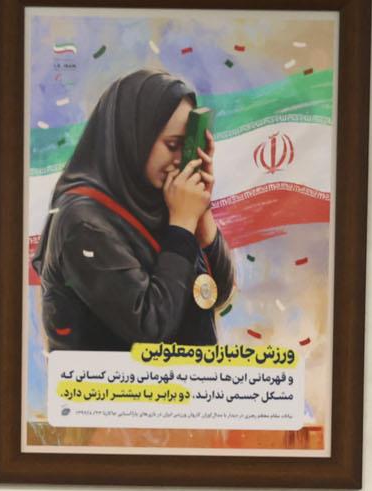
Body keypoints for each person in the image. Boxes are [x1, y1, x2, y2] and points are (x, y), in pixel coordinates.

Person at [34, 68, 236, 352]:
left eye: (189, 147)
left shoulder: (162, 200)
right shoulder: (83, 223)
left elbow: (215, 295)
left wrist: (201, 216)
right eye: (173, 145)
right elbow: (150, 329)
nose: (183, 161)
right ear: (133, 138)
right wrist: (181, 226)